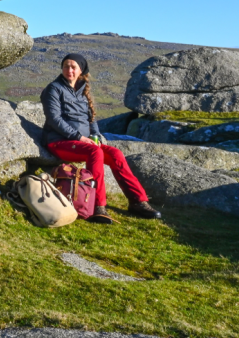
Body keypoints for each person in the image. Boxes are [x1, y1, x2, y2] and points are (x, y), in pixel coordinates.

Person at [40, 53, 161, 224]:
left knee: (116, 154)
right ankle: (98, 207)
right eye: (66, 66)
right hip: (59, 141)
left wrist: (95, 135)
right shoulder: (54, 88)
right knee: (94, 152)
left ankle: (138, 201)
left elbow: (91, 119)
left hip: (80, 142)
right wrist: (79, 137)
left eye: (73, 67)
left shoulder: (82, 90)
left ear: (81, 70)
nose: (69, 70)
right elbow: (54, 119)